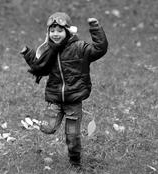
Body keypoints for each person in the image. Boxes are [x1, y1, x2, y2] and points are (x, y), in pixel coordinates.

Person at [20, 12, 108, 168]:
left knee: (72, 136)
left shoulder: (79, 48)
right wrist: (28, 54)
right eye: (52, 31)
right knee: (47, 128)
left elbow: (100, 49)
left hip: (73, 100)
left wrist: (95, 28)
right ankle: (51, 122)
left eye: (59, 30)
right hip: (55, 99)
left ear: (68, 31)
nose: (55, 34)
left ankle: (75, 162)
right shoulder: (49, 50)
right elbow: (39, 66)